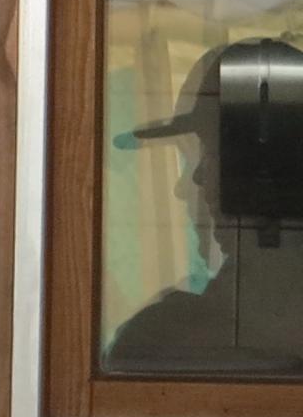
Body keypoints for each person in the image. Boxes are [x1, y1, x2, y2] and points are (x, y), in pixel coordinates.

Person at [107, 35, 303, 372]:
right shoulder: (178, 332)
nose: (189, 184)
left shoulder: (167, 340)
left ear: (262, 174)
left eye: (208, 152)